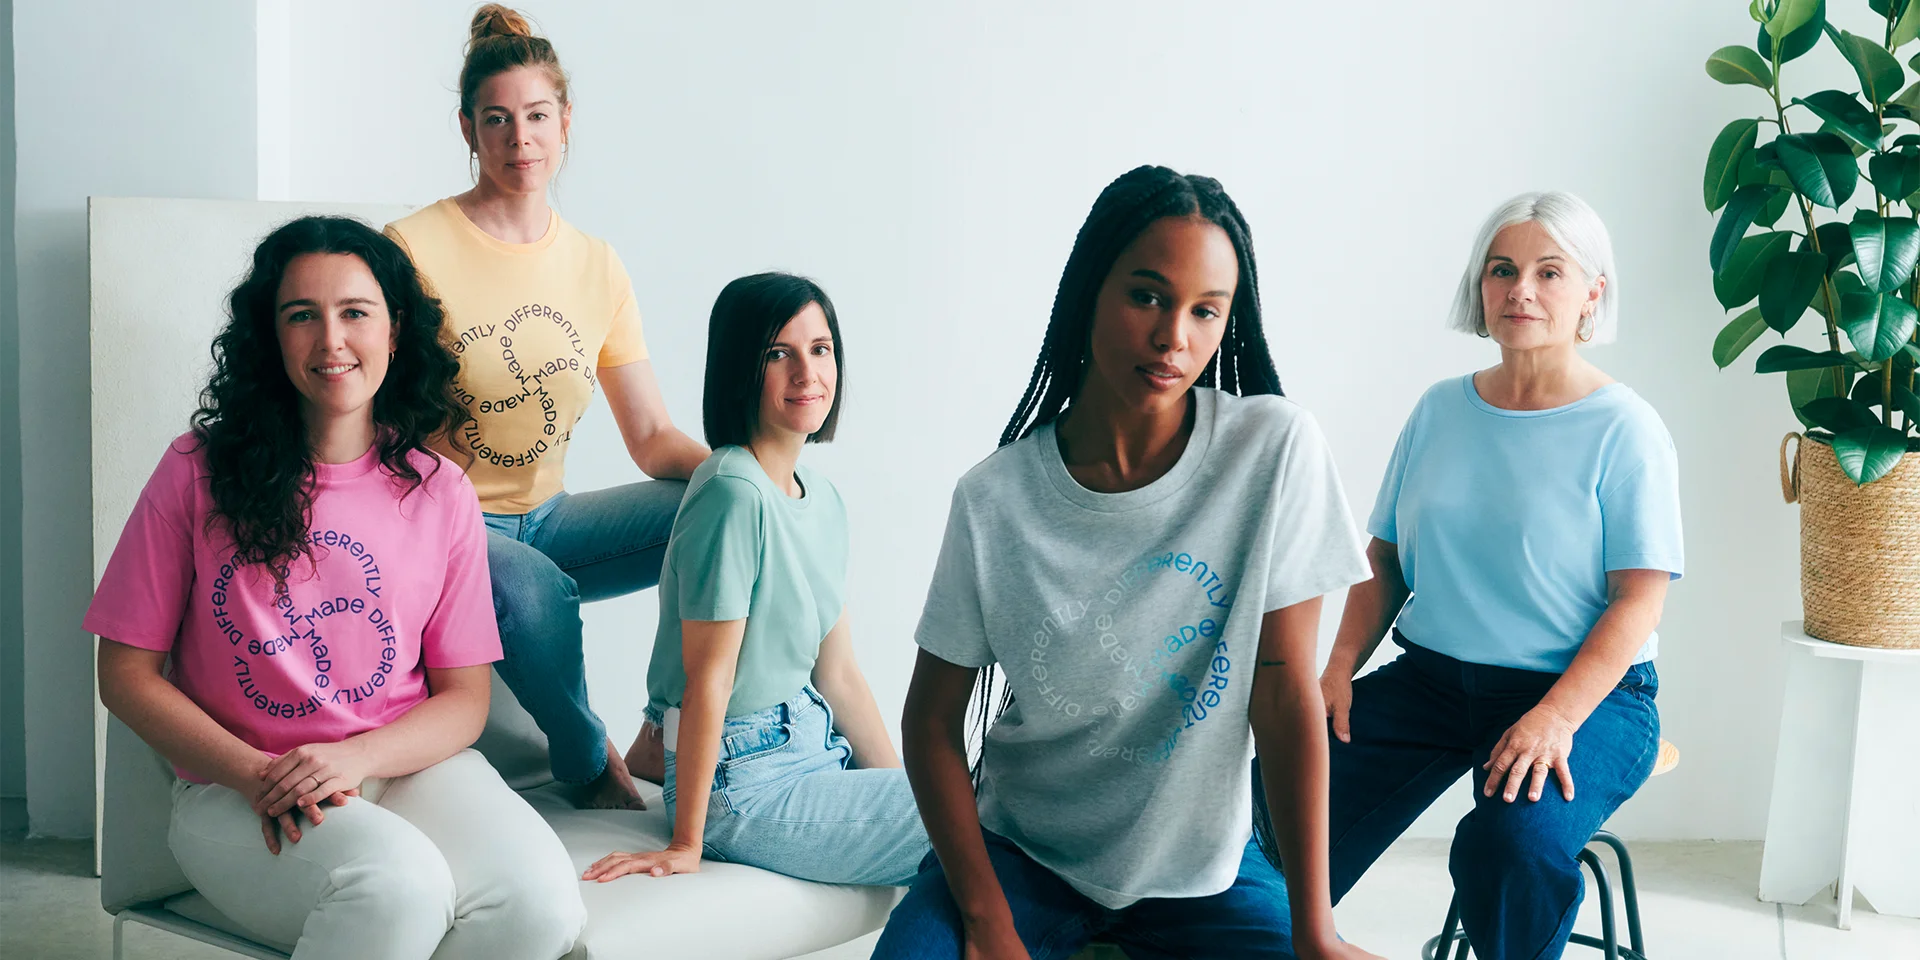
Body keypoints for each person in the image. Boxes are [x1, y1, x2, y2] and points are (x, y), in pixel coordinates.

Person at [872, 166, 1384, 960]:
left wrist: (1316, 933)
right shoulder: (995, 501)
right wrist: (986, 918)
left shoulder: (1273, 451)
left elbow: (1284, 696)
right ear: (1090, 291)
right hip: (1022, 859)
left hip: (1203, 875)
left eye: (1205, 311)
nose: (1173, 336)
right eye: (1147, 295)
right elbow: (931, 722)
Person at [86, 216, 585, 959]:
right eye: (301, 316)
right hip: (239, 789)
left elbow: (464, 699)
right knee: (397, 887)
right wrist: (255, 774)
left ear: (394, 328)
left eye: (355, 312)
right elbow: (123, 675)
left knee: (542, 906)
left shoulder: (439, 489)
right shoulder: (197, 470)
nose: (331, 341)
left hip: (401, 765)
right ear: (270, 334)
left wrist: (356, 759)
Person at [1320, 191, 1682, 960]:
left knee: (1509, 843)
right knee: (1277, 802)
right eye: (1503, 270)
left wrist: (1554, 718)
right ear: (1480, 287)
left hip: (1587, 697)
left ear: (1592, 293)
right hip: (1432, 683)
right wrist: (1338, 669)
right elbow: (1383, 562)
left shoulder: (1625, 429)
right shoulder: (1438, 412)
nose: (1521, 290)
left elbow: (1639, 598)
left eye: (1551, 272)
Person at [384, 4, 708, 809]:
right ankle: (586, 764)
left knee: (716, 510)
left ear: (565, 123)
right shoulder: (410, 248)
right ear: (468, 128)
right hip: (444, 525)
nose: (519, 139)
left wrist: (744, 477)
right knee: (532, 591)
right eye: (496, 120)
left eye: (535, 117)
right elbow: (371, 417)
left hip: (552, 519)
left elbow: (653, 436)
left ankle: (660, 732)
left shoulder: (597, 266)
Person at [583, 273, 928, 886]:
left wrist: (896, 787)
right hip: (742, 777)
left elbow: (839, 676)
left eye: (820, 349)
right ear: (743, 367)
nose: (807, 373)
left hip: (813, 742)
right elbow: (707, 675)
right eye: (778, 354)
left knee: (977, 803)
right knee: (994, 818)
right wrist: (686, 842)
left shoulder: (823, 501)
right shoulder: (730, 490)